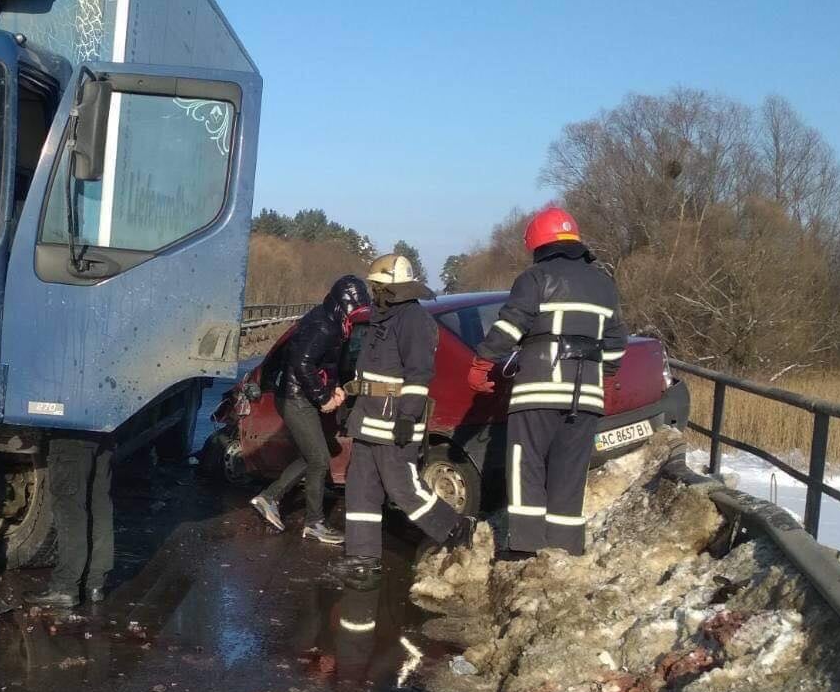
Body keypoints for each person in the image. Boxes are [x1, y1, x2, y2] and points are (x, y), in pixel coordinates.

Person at [468, 206, 628, 557]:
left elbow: (511, 326)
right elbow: (616, 342)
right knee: (570, 474)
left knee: (526, 466)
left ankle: (525, 549)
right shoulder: (604, 284)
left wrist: (481, 362)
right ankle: (565, 550)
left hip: (538, 391)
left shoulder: (535, 278)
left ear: (539, 244)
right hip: (584, 397)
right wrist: (603, 378)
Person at [334, 254, 464, 584]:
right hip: (368, 420)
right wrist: (352, 405)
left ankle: (456, 529)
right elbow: (369, 373)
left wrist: (408, 416)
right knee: (361, 489)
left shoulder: (414, 320)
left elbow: (419, 373)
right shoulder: (382, 318)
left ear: (393, 287)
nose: (373, 291)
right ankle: (362, 558)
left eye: (377, 286)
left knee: (403, 489)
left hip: (395, 424)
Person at [250, 275, 371, 544]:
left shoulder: (338, 324)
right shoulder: (324, 326)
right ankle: (313, 522)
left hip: (302, 397)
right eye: (355, 309)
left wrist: (337, 387)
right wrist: (323, 397)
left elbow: (329, 365)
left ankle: (270, 497)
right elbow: (301, 363)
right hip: (295, 399)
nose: (358, 314)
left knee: (314, 454)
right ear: (343, 305)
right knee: (319, 459)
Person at [26, 435, 114, 608]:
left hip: (72, 433)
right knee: (99, 505)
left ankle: (65, 587)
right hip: (104, 432)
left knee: (70, 509)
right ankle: (95, 584)